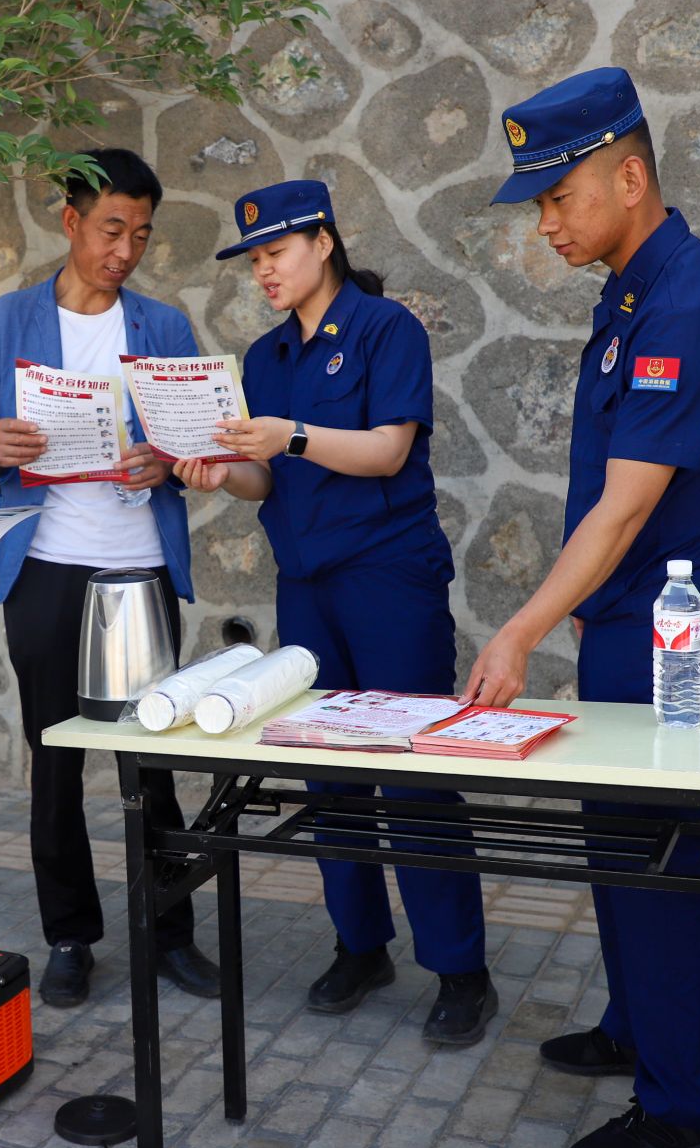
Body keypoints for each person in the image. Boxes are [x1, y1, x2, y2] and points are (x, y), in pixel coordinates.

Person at [462, 67, 700, 1148]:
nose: (545, 223)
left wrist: (519, 630)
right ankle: (639, 1027)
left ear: (629, 179)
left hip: (675, 626)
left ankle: (684, 1105)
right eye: (539, 203)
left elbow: (626, 505)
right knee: (618, 848)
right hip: (630, 618)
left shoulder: (684, 301)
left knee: (660, 857)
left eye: (558, 197)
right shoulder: (633, 294)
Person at [176, 179, 494, 1046]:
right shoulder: (265, 357)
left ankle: (460, 969)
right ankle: (361, 946)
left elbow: (388, 449)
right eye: (254, 260)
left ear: (324, 242)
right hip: (307, 582)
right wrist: (220, 470)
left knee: (412, 770)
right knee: (327, 771)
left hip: (389, 578)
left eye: (276, 253)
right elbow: (265, 479)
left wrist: (291, 435)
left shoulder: (388, 329)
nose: (263, 272)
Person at [0, 148, 221, 1008]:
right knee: (55, 761)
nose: (125, 251)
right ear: (70, 222)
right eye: (111, 230)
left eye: (140, 234)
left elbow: (198, 445)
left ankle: (172, 932)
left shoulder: (163, 327)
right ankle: (69, 937)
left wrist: (167, 463)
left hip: (138, 568)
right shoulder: (4, 322)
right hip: (44, 568)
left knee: (152, 762)